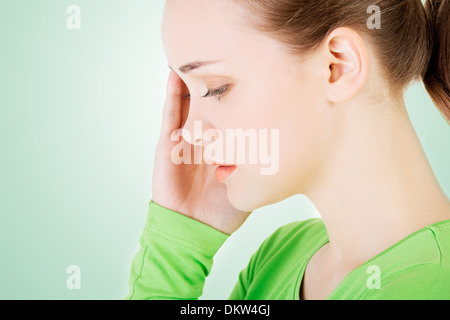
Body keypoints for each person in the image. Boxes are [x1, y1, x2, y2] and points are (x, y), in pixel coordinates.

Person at [126, 0, 450, 300]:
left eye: (215, 88)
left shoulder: (426, 287)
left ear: (338, 66)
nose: (191, 132)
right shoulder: (280, 257)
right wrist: (180, 238)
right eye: (187, 93)